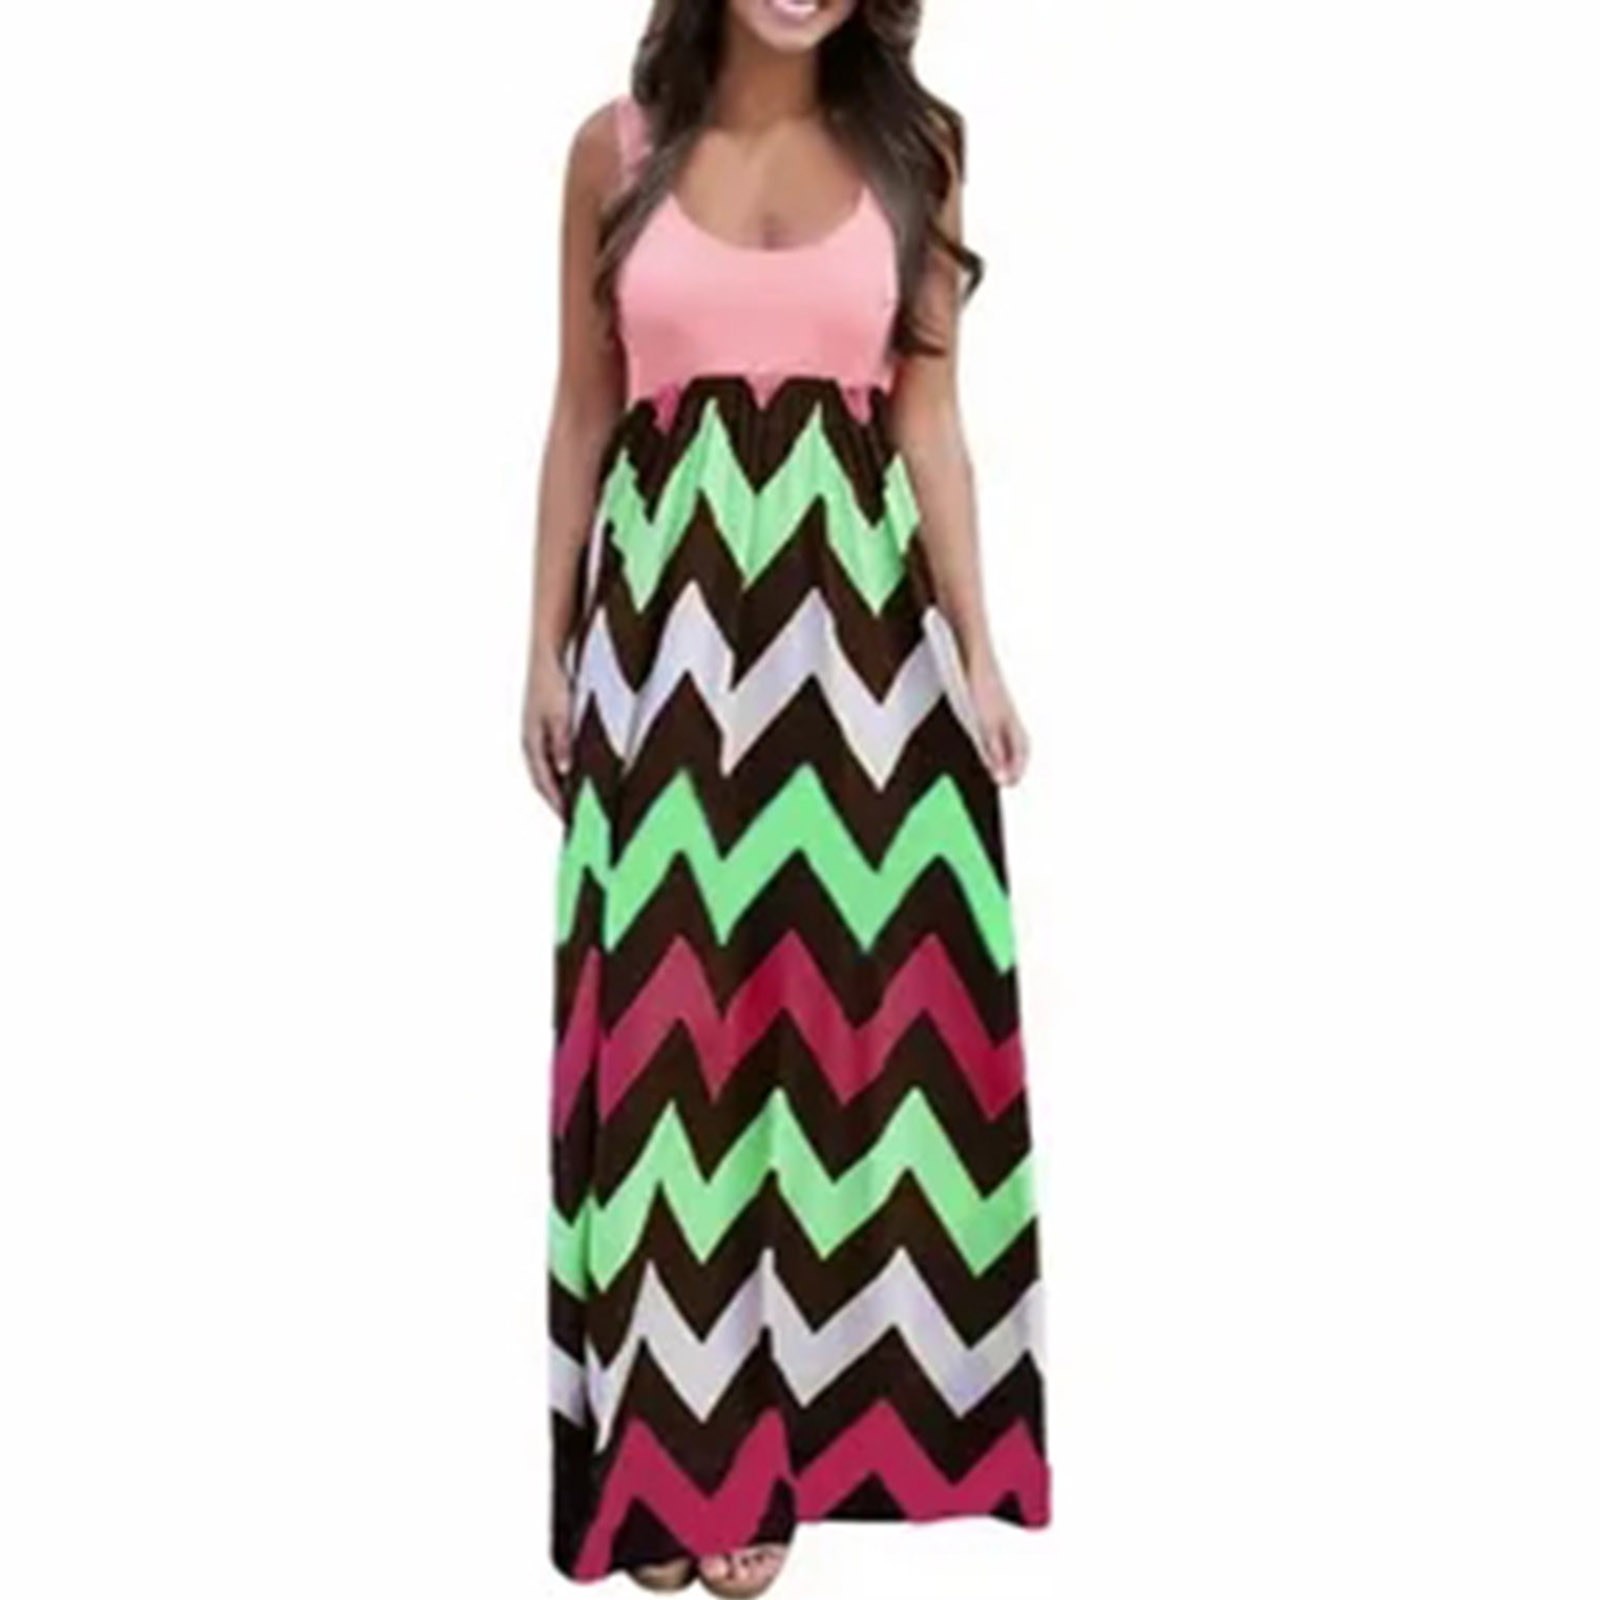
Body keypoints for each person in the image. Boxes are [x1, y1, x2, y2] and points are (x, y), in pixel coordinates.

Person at [521, 2, 1050, 1590]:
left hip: (861, 653)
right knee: (667, 1043)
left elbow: (931, 422)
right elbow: (582, 411)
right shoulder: (613, 152)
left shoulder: (919, 150)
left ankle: (789, 1456)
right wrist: (542, 650)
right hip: (667, 652)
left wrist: (981, 652)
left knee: (847, 1044)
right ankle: (674, 1456)